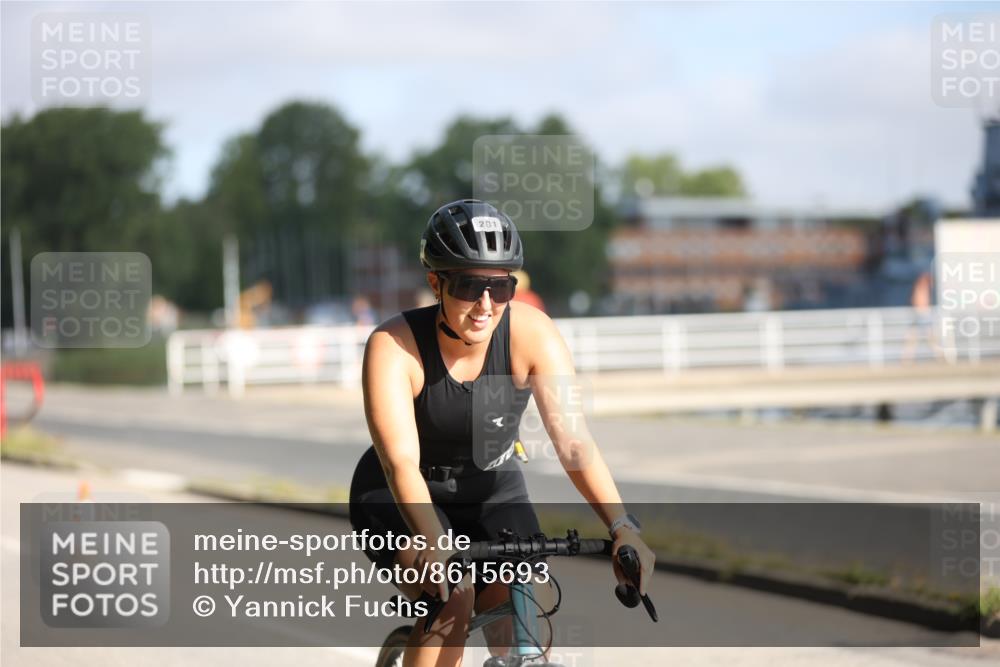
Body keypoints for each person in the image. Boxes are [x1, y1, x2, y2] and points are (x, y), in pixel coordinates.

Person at [349, 199, 655, 667]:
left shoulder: (532, 335)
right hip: (400, 492)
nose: (486, 305)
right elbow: (400, 464)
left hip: (491, 484)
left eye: (501, 287)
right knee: (454, 598)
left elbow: (573, 442)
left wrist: (622, 527)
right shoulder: (394, 347)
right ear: (436, 282)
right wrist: (434, 543)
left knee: (519, 611)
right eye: (470, 286)